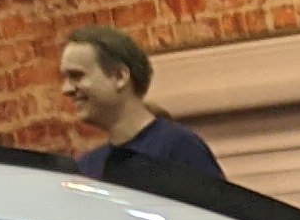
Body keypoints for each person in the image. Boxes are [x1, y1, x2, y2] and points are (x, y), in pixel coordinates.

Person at [57, 25, 221, 183]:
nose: (66, 89)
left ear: (120, 77)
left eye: (77, 76)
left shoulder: (179, 149)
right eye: (65, 78)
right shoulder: (88, 167)